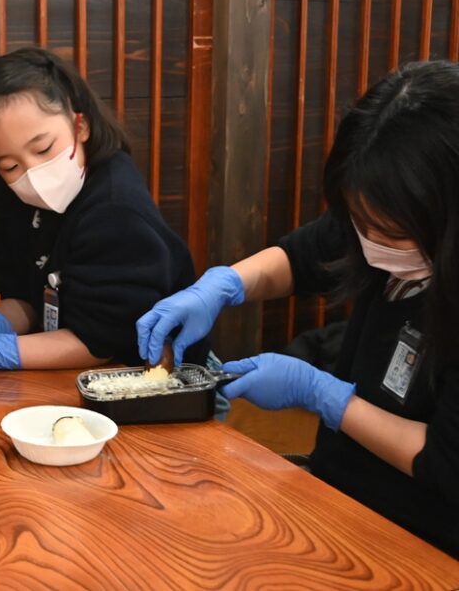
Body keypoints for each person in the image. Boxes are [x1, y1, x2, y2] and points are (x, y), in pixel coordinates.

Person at [136, 60, 459, 556]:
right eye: (358, 222)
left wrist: (323, 396)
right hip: (338, 496)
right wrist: (223, 285)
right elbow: (302, 257)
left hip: (418, 541)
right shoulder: (385, 219)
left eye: (389, 233)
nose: (369, 243)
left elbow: (442, 462)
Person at [0, 47, 208, 372]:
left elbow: (97, 343)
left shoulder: (115, 208)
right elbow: (22, 299)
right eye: (10, 165)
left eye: (43, 148)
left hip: (157, 382)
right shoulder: (7, 196)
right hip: (69, 376)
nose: (32, 173)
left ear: (79, 126)